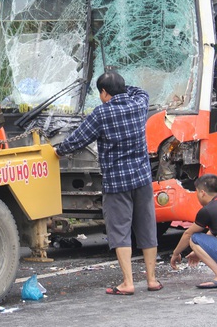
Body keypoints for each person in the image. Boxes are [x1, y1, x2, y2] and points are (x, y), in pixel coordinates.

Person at [54, 71, 162, 296]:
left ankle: (128, 282)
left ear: (104, 93)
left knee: (120, 231)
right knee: (147, 227)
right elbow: (141, 91)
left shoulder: (101, 114)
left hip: (116, 182)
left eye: (101, 92)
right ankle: (152, 279)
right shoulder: (138, 105)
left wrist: (58, 151)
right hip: (142, 178)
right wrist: (122, 88)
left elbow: (79, 138)